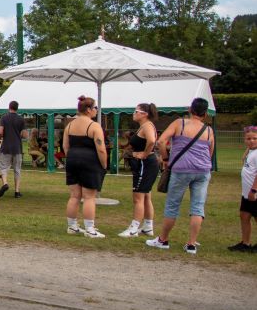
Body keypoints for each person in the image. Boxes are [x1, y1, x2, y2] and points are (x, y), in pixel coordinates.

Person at [147, 98, 215, 254]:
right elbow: (210, 152)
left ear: (190, 110)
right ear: (205, 114)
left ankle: (163, 240)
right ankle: (191, 244)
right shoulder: (209, 130)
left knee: (173, 205)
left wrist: (165, 159)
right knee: (198, 207)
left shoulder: (180, 123)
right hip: (202, 171)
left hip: (181, 169)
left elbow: (161, 141)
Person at [63, 96, 108, 238]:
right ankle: (90, 229)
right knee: (89, 197)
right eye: (95, 108)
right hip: (89, 161)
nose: (96, 110)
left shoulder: (69, 126)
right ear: (88, 110)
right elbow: (101, 148)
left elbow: (65, 146)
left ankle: (72, 226)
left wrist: (72, 157)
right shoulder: (94, 126)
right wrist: (104, 164)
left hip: (72, 159)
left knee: (74, 196)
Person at [118, 103, 159, 238]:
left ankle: (133, 229)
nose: (133, 113)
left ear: (144, 114)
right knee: (146, 196)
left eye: (136, 111)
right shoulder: (144, 126)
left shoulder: (147, 126)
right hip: (147, 164)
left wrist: (144, 154)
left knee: (138, 197)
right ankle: (148, 227)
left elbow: (152, 141)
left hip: (145, 164)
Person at [229, 126, 257, 252]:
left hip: (254, 192)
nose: (251, 141)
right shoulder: (251, 151)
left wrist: (254, 190)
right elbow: (243, 160)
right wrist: (248, 148)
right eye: (248, 139)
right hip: (246, 192)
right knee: (244, 215)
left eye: (255, 138)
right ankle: (245, 243)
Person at [0, 101, 28, 198]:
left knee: (3, 167)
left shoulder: (4, 118)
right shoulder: (21, 119)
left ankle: (5, 183)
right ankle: (17, 192)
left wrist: (0, 136)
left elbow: (0, 131)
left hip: (6, 147)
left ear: (9, 107)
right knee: (17, 169)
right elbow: (25, 135)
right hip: (17, 148)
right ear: (17, 108)